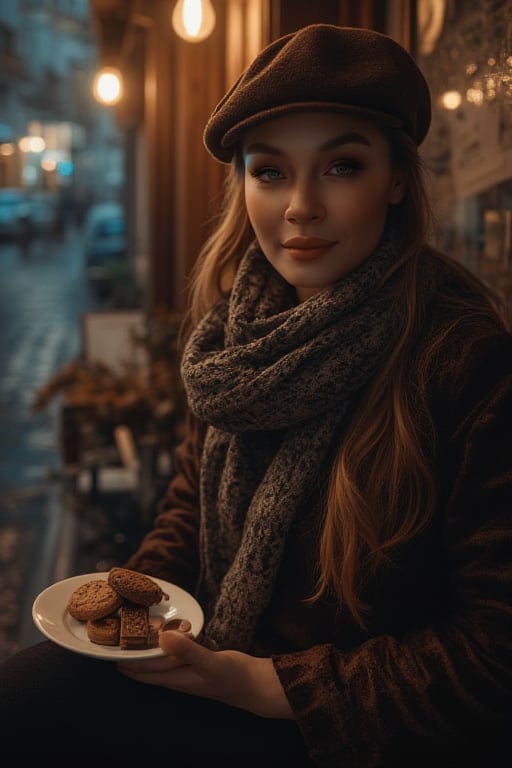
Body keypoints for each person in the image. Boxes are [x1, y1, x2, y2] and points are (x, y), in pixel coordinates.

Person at [1, 23, 511, 767]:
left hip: (350, 730)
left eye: (341, 165)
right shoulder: (235, 337)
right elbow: (188, 506)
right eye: (270, 172)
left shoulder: (464, 362)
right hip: (218, 670)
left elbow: (495, 650)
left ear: (397, 179)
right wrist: (144, 618)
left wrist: (271, 687)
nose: (300, 206)